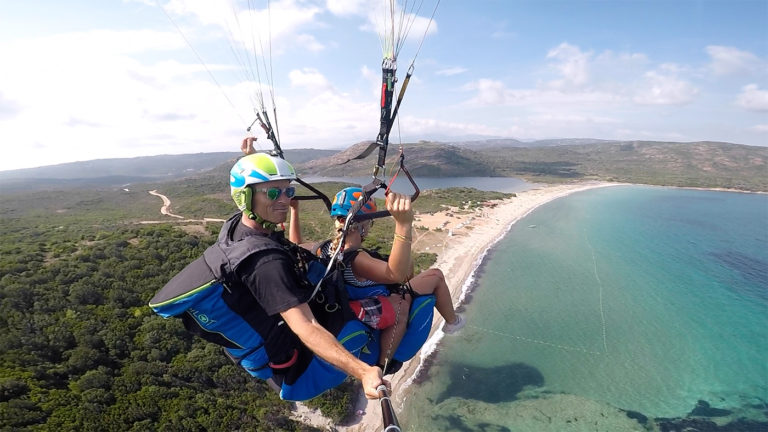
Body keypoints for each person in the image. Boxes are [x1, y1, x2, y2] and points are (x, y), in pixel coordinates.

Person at [150, 150, 386, 401]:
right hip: (298, 371)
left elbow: (257, 197)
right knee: (388, 309)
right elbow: (306, 326)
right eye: (274, 193)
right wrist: (363, 372)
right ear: (247, 197)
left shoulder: (236, 228)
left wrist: (251, 159)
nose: (284, 200)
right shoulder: (265, 263)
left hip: (278, 360)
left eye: (289, 191)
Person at [293, 186, 466, 372]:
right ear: (362, 225)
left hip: (347, 303)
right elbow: (399, 276)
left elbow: (296, 245)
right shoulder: (357, 259)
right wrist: (403, 226)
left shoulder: (323, 248)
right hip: (368, 306)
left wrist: (294, 211)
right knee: (434, 278)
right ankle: (387, 362)